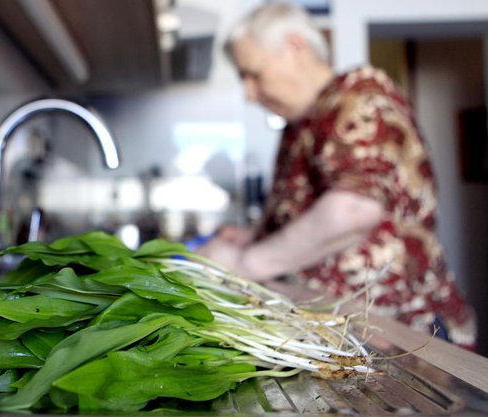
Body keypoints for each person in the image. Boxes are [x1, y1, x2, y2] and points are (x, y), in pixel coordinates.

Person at [198, 1, 477, 348]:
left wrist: (245, 263)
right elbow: (309, 217)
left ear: (295, 47)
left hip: (407, 338)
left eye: (253, 74)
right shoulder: (301, 123)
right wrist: (257, 234)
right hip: (351, 334)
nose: (249, 94)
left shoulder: (360, 96)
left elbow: (353, 211)